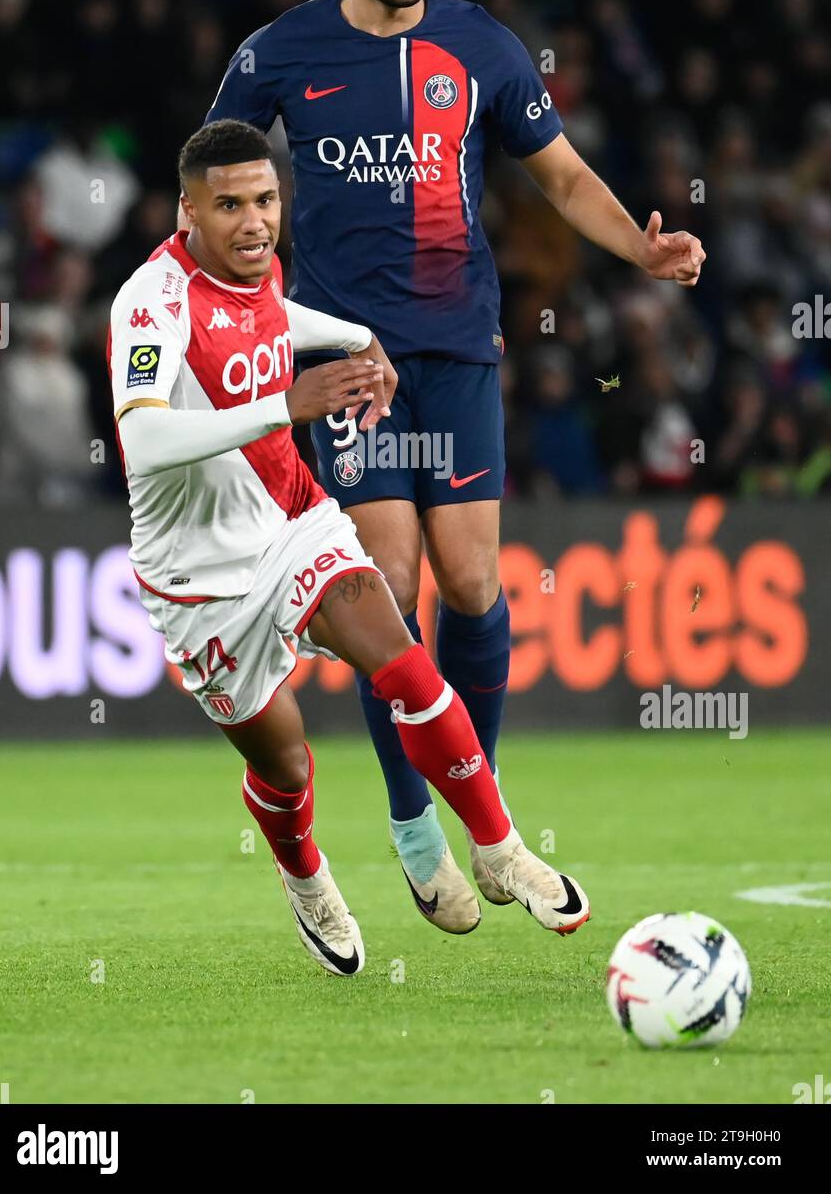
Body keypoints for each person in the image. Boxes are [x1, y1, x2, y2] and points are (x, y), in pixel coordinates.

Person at [201, 0, 704, 935]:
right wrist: (216, 305)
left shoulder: (481, 46)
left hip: (461, 350)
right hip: (344, 359)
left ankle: (484, 819)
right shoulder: (279, 51)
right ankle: (416, 827)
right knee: (387, 580)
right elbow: (210, 174)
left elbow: (559, 173)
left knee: (472, 584)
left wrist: (641, 249)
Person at [110, 119, 590, 975]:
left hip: (296, 523)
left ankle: (499, 846)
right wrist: (287, 407)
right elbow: (143, 442)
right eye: (229, 207)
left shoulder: (259, 270)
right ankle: (304, 876)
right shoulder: (150, 303)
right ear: (187, 211)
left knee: (403, 660)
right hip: (200, 580)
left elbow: (265, 318)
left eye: (266, 200)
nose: (256, 222)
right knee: (286, 767)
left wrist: (349, 335)